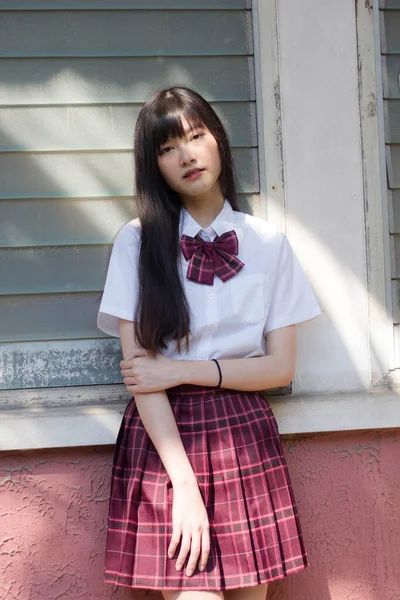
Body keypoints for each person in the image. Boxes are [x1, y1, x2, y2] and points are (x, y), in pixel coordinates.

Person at [97, 86, 322, 600]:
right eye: (168, 147)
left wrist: (182, 370)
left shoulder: (269, 244)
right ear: (154, 165)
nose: (187, 154)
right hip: (165, 440)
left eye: (196, 136)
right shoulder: (136, 241)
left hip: (242, 432)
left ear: (218, 141)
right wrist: (185, 490)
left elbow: (280, 368)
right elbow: (142, 379)